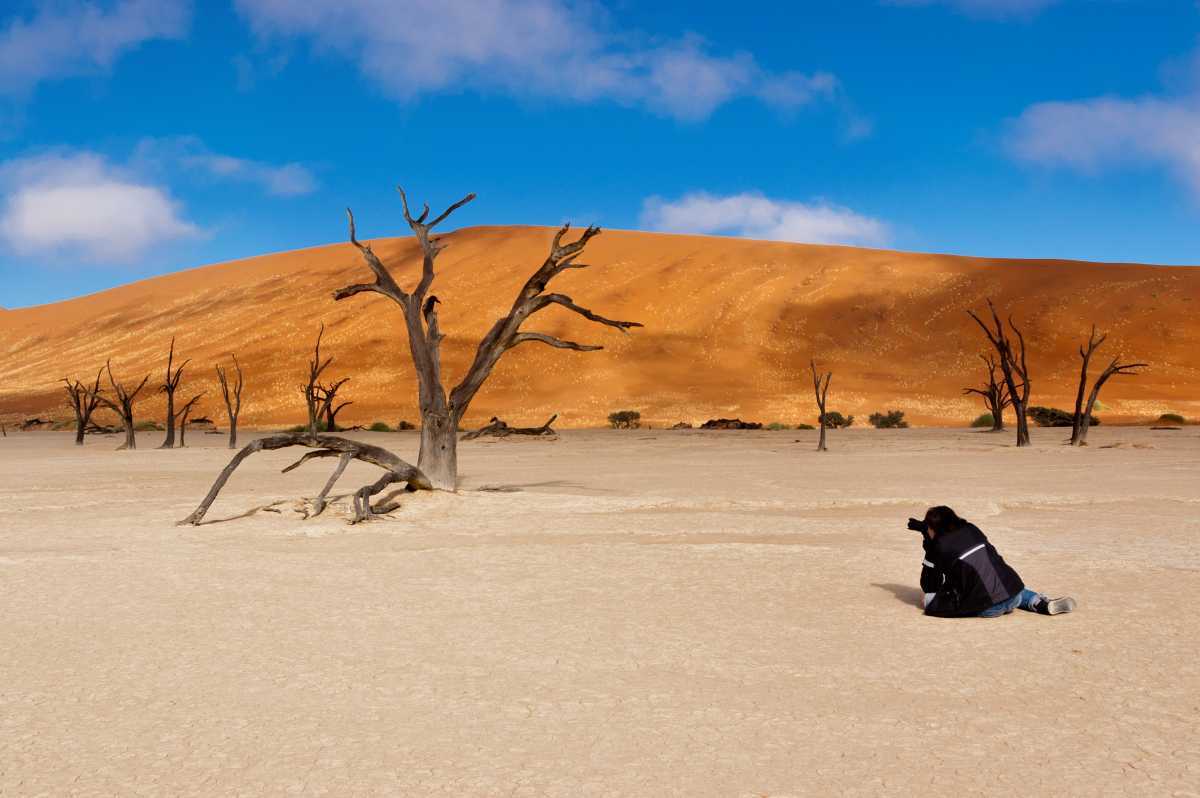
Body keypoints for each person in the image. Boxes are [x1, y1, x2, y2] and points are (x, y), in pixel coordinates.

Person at [917, 506, 1076, 618]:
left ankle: (998, 604)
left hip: (987, 608)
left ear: (933, 528)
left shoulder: (938, 547)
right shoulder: (971, 529)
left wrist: (929, 546)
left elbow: (930, 586)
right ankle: (1038, 602)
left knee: (928, 600)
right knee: (1000, 582)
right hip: (1013, 592)